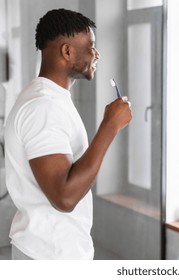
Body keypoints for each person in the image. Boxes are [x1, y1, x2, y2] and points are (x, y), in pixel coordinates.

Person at [4, 8, 132, 260]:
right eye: (91, 46)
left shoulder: (51, 98)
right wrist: (109, 126)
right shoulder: (43, 106)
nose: (97, 54)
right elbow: (64, 197)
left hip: (53, 250)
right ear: (67, 51)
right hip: (49, 255)